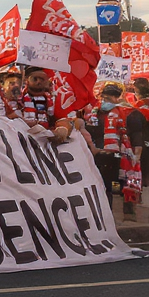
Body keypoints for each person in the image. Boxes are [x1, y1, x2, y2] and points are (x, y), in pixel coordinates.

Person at [85, 83, 142, 220]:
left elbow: (137, 136)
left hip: (122, 156)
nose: (105, 102)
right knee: (104, 187)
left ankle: (129, 216)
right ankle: (105, 216)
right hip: (99, 154)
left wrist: (136, 156)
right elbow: (90, 131)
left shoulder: (130, 113)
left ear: (118, 98)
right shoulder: (95, 113)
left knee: (128, 185)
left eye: (109, 99)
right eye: (104, 98)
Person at [15, 66, 76, 143]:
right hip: (20, 137)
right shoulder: (18, 98)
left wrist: (62, 128)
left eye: (42, 79)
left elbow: (62, 118)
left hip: (45, 139)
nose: (38, 82)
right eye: (35, 79)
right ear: (27, 79)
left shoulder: (53, 99)